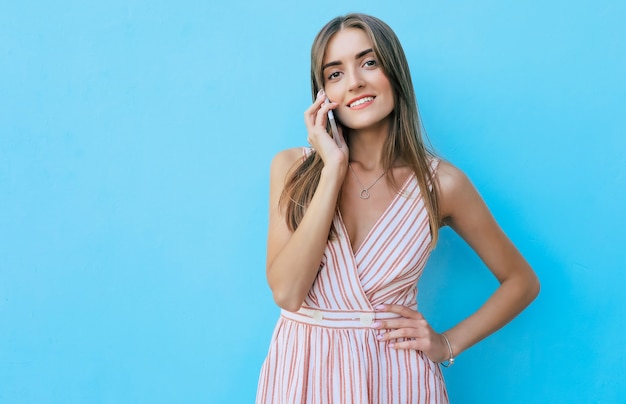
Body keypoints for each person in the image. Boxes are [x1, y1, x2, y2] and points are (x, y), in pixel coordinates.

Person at [257, 13, 540, 404]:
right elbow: (288, 293)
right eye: (334, 73)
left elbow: (521, 281)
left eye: (368, 62)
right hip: (302, 372)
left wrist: (447, 344)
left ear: (395, 72)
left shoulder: (442, 185)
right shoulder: (292, 167)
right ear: (323, 95)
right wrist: (333, 168)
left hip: (397, 378)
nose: (354, 81)